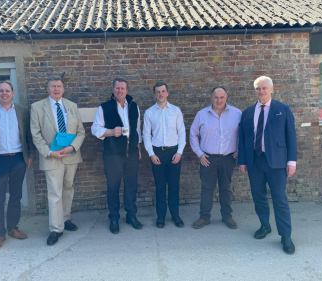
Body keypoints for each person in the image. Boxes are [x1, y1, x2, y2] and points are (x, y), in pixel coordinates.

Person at [238, 76, 297, 254]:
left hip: (277, 162)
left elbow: (291, 137)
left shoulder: (283, 109)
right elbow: (242, 138)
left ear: (272, 89)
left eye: (264, 88)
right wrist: (242, 160)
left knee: (279, 199)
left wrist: (291, 161)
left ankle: (285, 236)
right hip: (254, 161)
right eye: (258, 88)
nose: (261, 91)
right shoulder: (248, 112)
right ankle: (265, 225)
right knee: (259, 197)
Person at [0, 80, 36, 250]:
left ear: (13, 93)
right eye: (1, 90)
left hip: (18, 158)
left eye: (7, 90)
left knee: (16, 196)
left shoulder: (23, 111)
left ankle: (12, 228)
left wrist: (30, 155)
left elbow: (28, 136)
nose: (4, 93)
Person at [30, 75, 85, 246]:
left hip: (70, 155)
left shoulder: (71, 106)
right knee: (55, 193)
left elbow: (81, 132)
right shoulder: (37, 107)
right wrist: (49, 152)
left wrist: (72, 147)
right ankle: (55, 228)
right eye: (52, 86)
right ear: (47, 89)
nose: (56, 89)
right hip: (51, 157)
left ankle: (66, 219)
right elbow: (35, 134)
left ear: (63, 89)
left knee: (68, 189)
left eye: (59, 86)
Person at [91, 78, 142, 234]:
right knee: (113, 187)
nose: (120, 91)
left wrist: (138, 146)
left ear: (127, 90)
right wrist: (111, 132)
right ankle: (114, 218)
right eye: (117, 88)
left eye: (123, 88)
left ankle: (131, 215)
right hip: (113, 154)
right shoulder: (104, 108)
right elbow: (95, 129)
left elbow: (137, 129)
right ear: (113, 90)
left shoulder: (134, 107)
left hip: (131, 153)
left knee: (131, 186)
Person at [190, 87, 242, 229]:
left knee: (226, 188)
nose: (219, 100)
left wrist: (240, 149)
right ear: (211, 98)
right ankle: (204, 217)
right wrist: (199, 153)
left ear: (226, 98)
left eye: (222, 97)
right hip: (208, 158)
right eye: (216, 97)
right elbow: (193, 134)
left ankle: (227, 216)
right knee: (207, 188)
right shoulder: (202, 114)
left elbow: (244, 133)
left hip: (228, 158)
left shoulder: (237, 114)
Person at [143, 81, 186, 228]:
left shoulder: (176, 111)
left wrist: (179, 152)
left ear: (167, 93)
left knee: (174, 186)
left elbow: (182, 133)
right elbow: (146, 135)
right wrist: (151, 154)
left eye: (163, 91)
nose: (161, 94)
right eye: (158, 92)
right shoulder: (149, 112)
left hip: (174, 152)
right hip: (157, 153)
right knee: (160, 186)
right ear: (154, 94)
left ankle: (175, 215)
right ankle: (161, 216)